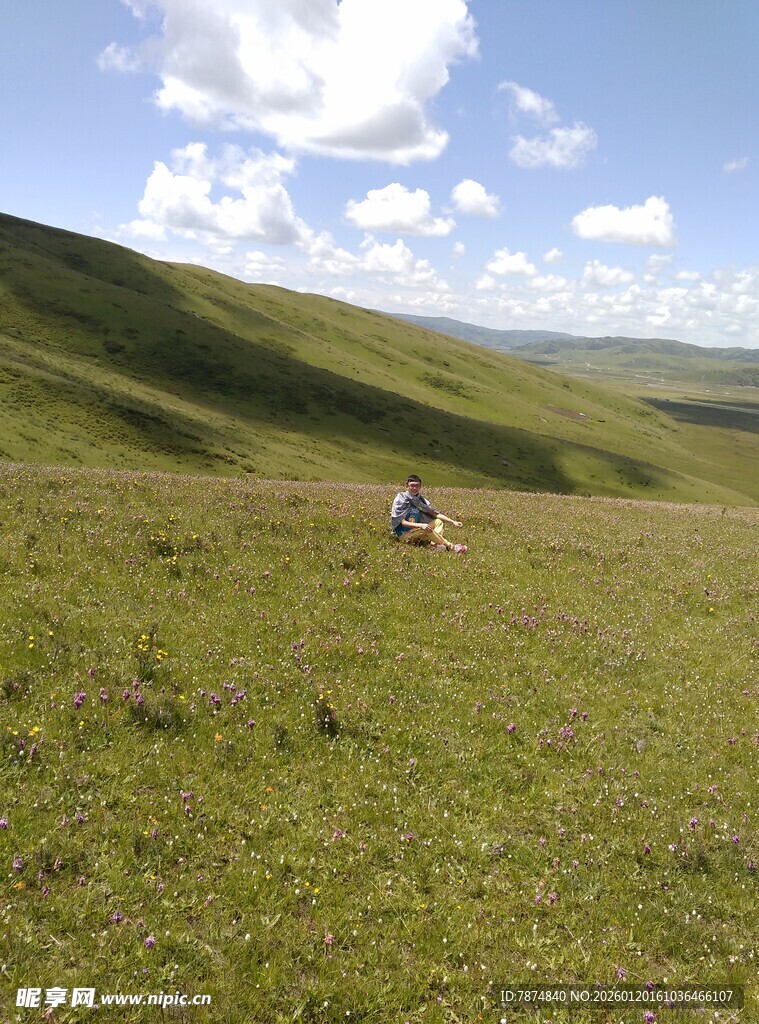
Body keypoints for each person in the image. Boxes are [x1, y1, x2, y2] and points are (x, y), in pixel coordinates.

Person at [390, 474, 467, 552]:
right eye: (412, 485)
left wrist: (453, 522)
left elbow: (435, 514)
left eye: (417, 486)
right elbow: (402, 522)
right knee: (427, 528)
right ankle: (452, 547)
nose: (414, 488)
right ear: (407, 486)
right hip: (405, 534)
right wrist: (421, 525)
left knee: (438, 522)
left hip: (417, 530)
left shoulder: (420, 501)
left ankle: (434, 545)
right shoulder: (400, 499)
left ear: (420, 487)